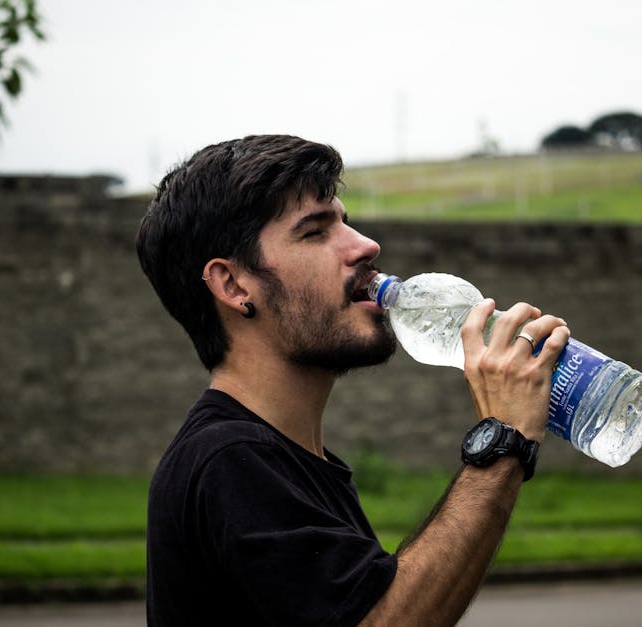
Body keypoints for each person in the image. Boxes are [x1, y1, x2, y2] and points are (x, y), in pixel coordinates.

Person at [136, 134, 570, 626]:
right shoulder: (230, 461)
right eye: (315, 231)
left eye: (345, 220)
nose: (366, 245)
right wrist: (503, 441)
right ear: (234, 285)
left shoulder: (291, 461)